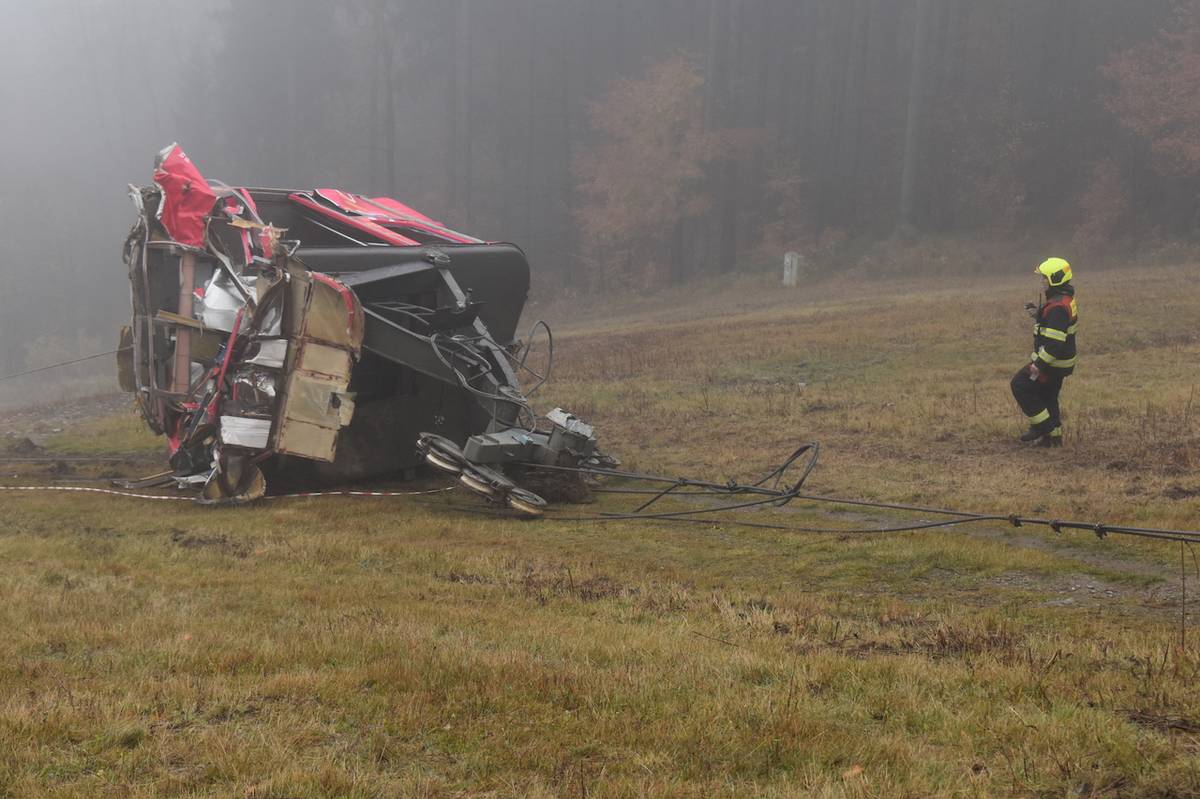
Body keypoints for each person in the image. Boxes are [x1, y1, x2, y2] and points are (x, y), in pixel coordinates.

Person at [1011, 257, 1078, 447]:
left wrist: (1038, 365)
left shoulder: (1057, 307)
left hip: (1051, 363)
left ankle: (1043, 426)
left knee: (1020, 385)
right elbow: (1054, 323)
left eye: (1044, 278)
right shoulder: (1062, 300)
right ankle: (1053, 439)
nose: (1042, 282)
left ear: (1054, 279)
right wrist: (1039, 313)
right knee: (1048, 396)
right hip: (1061, 362)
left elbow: (1055, 344)